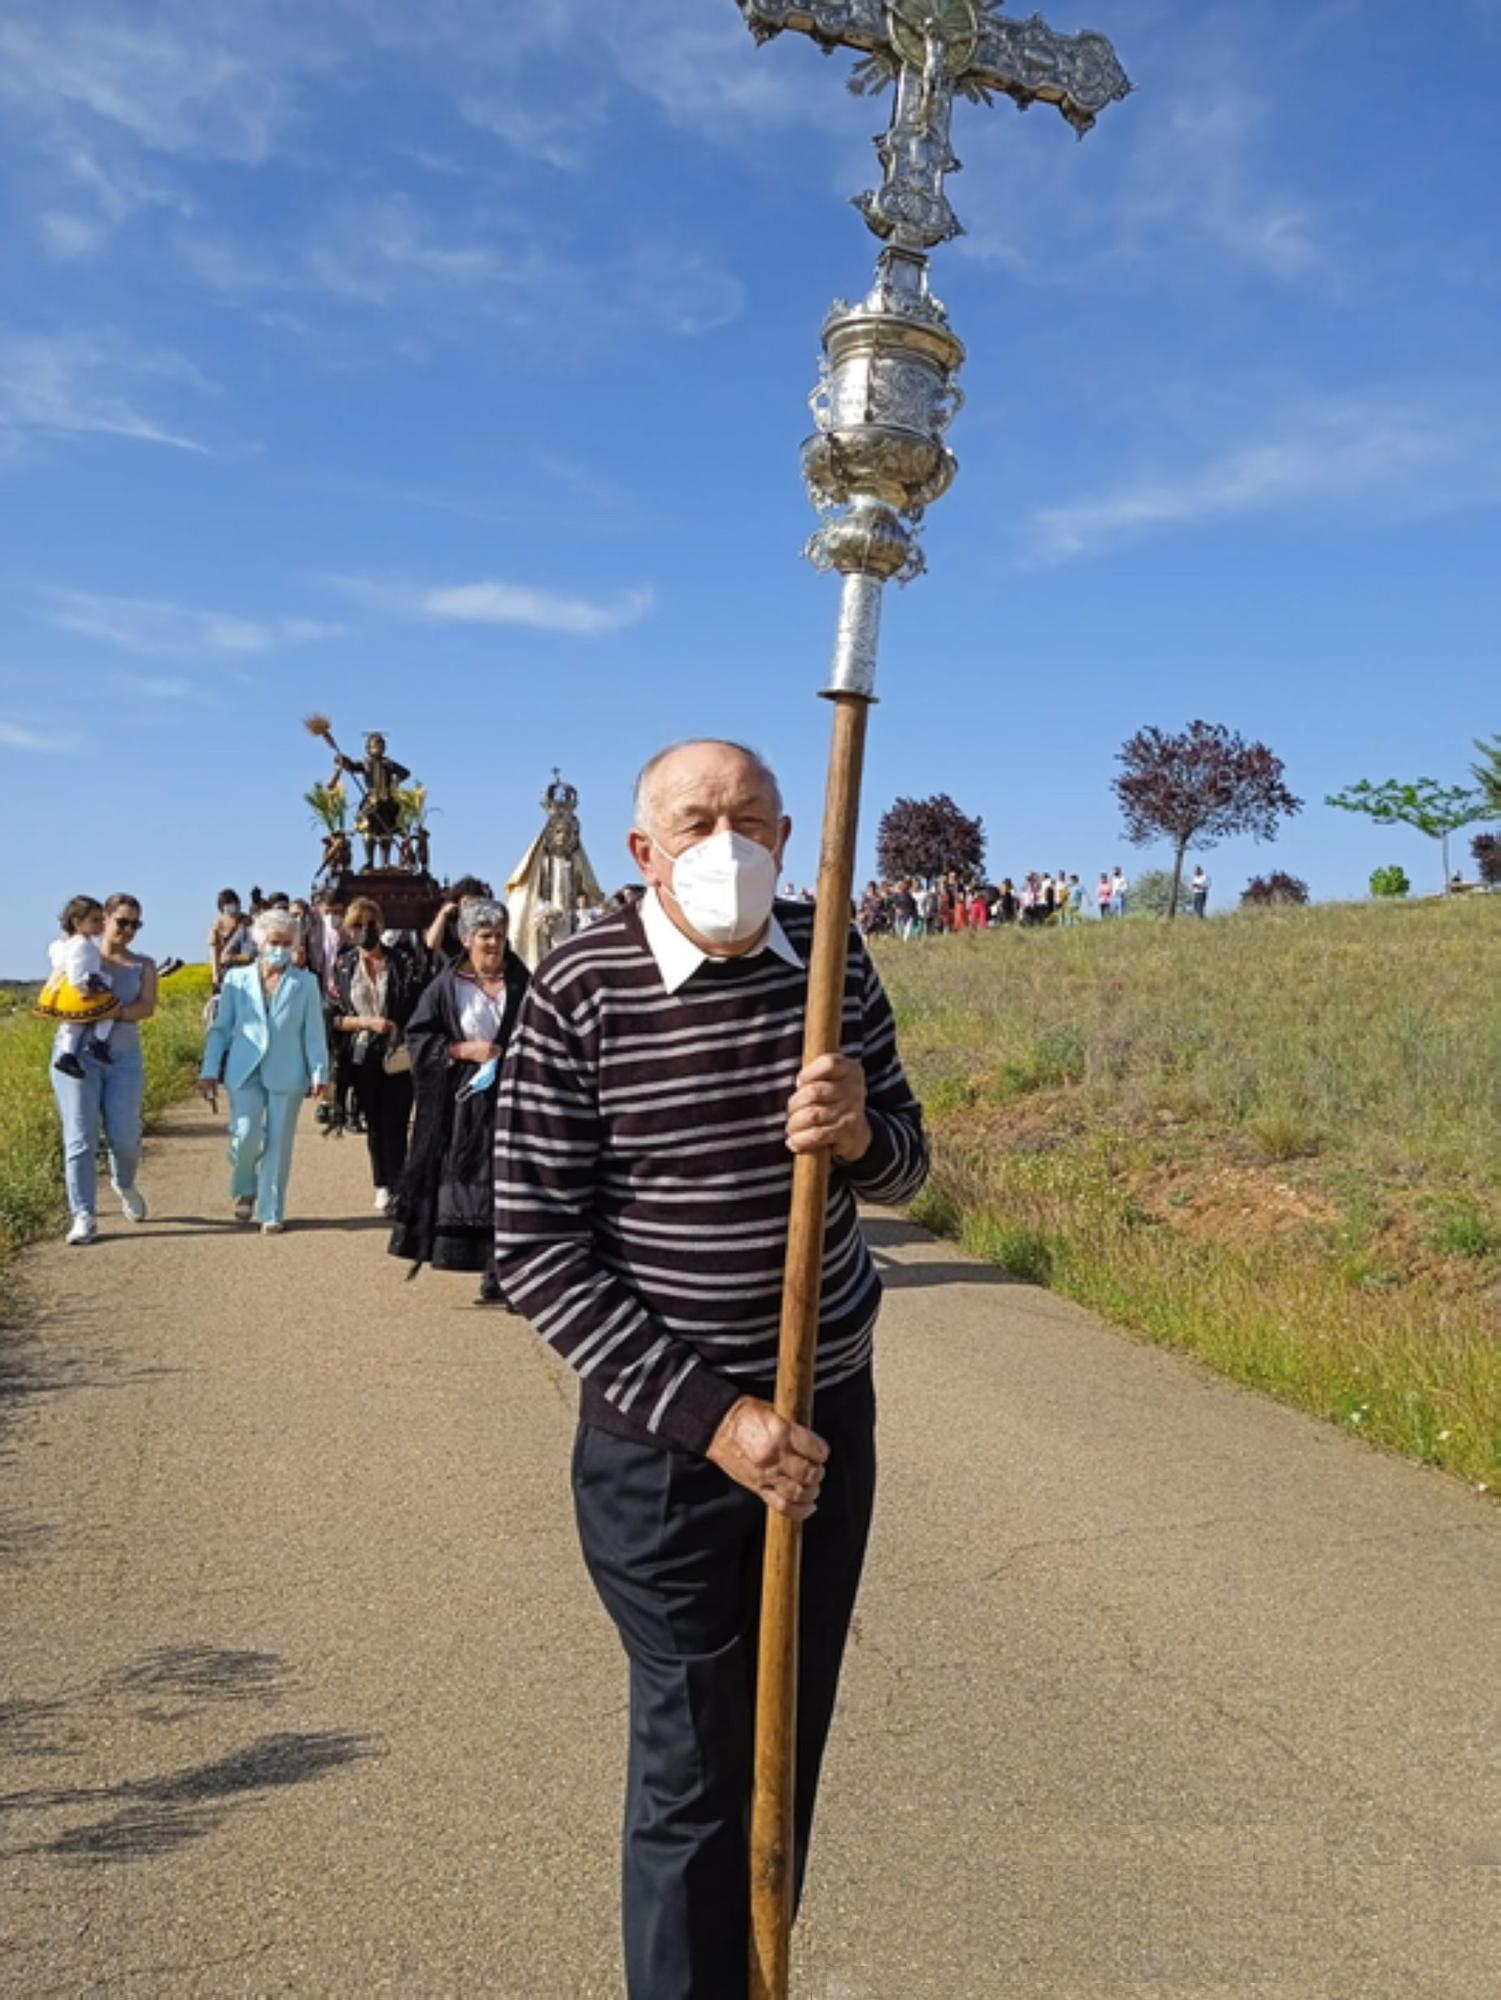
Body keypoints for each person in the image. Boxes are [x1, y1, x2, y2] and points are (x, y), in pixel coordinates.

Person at [495, 738, 928, 2000]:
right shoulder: (581, 983)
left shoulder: (832, 964)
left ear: (789, 839)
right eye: (696, 820)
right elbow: (536, 1247)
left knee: (782, 1748)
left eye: (751, 819)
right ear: (644, 849)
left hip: (823, 1413)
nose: (724, 841)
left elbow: (910, 1164)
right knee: (693, 1763)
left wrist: (857, 1131)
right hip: (665, 1446)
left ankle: (757, 1973)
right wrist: (716, 1416)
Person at [389, 898, 530, 1302]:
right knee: (471, 1181)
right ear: (467, 939)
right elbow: (418, 1037)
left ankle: (506, 1270)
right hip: (461, 1102)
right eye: (485, 935)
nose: (494, 944)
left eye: (500, 936)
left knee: (511, 1181)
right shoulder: (447, 986)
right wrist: (461, 1051)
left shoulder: (523, 983)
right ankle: (486, 1262)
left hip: (511, 1097)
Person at [198, 909, 328, 1233]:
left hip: (288, 1072)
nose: (279, 948)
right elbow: (221, 1028)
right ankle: (245, 1185)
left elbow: (313, 1033)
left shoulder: (305, 983)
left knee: (279, 1143)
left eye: (286, 942)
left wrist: (320, 1073)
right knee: (246, 1135)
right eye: (274, 941)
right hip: (244, 1070)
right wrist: (209, 1069)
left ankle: (271, 1210)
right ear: (260, 942)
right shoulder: (236, 979)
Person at [48, 893, 159, 1245]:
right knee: (80, 1137)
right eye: (121, 921)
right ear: (103, 919)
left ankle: (123, 1182)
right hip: (77, 1057)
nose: (127, 930)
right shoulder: (80, 953)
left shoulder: (142, 964)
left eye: (135, 924)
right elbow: (56, 993)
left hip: (123, 1060)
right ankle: (84, 1215)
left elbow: (146, 1007)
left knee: (125, 1138)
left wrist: (116, 1013)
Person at [329, 896, 423, 1213]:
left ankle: (400, 1185)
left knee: (397, 1121)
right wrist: (367, 1022)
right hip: (361, 1053)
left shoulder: (403, 963)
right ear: (347, 929)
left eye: (371, 925)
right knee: (376, 1125)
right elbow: (334, 1017)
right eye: (358, 925)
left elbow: (417, 1007)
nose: (365, 931)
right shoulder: (343, 967)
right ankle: (382, 1184)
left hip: (398, 1054)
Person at [39, 895, 119, 1078]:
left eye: (102, 920)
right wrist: (87, 986)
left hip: (69, 988)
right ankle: (98, 1043)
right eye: (95, 920)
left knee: (72, 1025)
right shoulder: (81, 945)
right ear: (77, 922)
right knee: (110, 1013)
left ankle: (68, 1055)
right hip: (81, 988)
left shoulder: (68, 943)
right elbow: (76, 971)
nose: (101, 924)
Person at [423, 874, 495, 968]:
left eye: (473, 904)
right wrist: (443, 914)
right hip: (450, 973)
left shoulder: (484, 924)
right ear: (457, 903)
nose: (469, 907)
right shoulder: (449, 922)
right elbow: (431, 943)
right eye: (465, 903)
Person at [209, 889, 255, 992]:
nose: (232, 907)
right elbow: (214, 950)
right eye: (227, 904)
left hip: (246, 965)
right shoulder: (218, 924)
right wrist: (215, 974)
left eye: (233, 903)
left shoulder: (248, 920)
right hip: (227, 966)